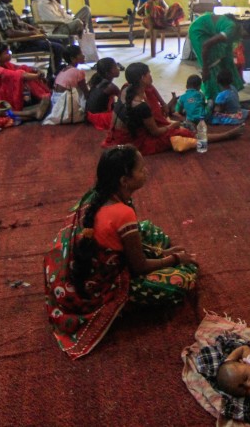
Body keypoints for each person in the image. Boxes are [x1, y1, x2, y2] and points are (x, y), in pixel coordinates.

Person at [43, 144, 198, 358]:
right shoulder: (122, 213)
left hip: (77, 269)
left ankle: (158, 258)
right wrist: (174, 258)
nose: (146, 171)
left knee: (150, 230)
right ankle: (123, 307)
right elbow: (139, 267)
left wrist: (159, 253)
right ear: (124, 181)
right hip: (99, 285)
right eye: (141, 169)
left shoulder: (94, 197)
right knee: (182, 279)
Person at [104, 62, 243, 155]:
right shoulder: (141, 105)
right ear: (142, 78)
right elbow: (156, 133)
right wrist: (172, 125)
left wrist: (166, 107)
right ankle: (226, 136)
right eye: (149, 74)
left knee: (177, 125)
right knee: (183, 133)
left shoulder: (127, 89)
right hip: (135, 143)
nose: (151, 76)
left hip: (118, 135)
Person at [0, 0, 65, 73]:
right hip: (20, 44)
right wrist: (31, 33)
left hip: (27, 40)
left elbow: (20, 23)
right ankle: (53, 75)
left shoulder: (7, 6)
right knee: (57, 47)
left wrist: (35, 29)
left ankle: (55, 70)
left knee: (58, 41)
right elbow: (10, 33)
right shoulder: (1, 10)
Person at [188, 12, 250, 100]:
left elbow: (228, 56)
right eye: (246, 36)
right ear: (243, 29)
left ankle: (227, 96)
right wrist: (205, 69)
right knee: (212, 65)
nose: (245, 38)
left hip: (210, 31)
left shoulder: (236, 30)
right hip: (198, 30)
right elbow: (206, 45)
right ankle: (213, 98)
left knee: (227, 61)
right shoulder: (231, 30)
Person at [0, 41, 52, 120]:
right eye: (6, 53)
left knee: (24, 69)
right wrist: (38, 76)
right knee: (17, 77)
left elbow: (19, 68)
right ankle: (42, 97)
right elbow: (19, 75)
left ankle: (42, 95)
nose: (10, 54)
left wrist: (35, 70)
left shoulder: (4, 64)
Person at [85, 57, 122, 131]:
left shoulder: (97, 80)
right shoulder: (111, 87)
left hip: (89, 115)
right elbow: (124, 100)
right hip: (100, 118)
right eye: (115, 67)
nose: (118, 69)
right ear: (107, 73)